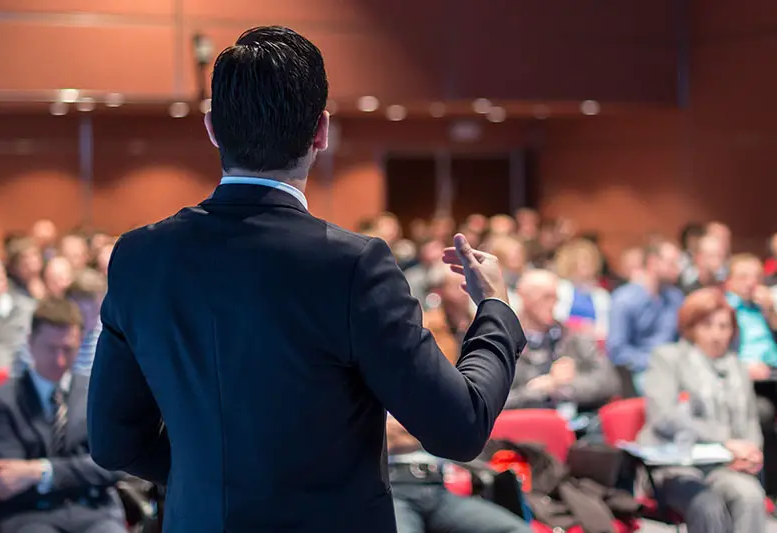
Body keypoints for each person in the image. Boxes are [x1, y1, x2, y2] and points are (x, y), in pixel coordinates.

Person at [86, 26, 525, 533]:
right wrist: (497, 311)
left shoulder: (139, 256)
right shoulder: (353, 265)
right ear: (321, 131)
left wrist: (218, 481)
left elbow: (115, 441)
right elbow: (460, 427)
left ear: (211, 127)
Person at [0, 298, 126, 533]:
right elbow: (8, 480)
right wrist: (81, 469)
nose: (59, 360)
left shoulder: (98, 392)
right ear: (30, 342)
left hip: (94, 510)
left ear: (80, 344)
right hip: (30, 515)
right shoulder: (1, 401)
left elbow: (114, 466)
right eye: (51, 348)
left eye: (68, 349)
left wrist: (41, 471)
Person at [637, 288, 767, 533]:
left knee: (750, 496)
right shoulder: (667, 358)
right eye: (707, 326)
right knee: (708, 506)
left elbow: (750, 419)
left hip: (723, 465)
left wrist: (751, 451)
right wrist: (726, 441)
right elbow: (664, 416)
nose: (716, 335)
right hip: (676, 463)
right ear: (691, 327)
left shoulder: (737, 366)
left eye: (724, 326)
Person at [387, 416, 530, 533]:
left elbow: (454, 435)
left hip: (437, 490)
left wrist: (415, 432)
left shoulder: (432, 391)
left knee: (517, 530)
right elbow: (384, 436)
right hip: (393, 492)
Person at [505, 270, 619, 411]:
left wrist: (564, 386)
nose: (553, 304)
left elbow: (609, 383)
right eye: (546, 297)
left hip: (579, 423)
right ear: (523, 297)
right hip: (526, 426)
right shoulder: (505, 343)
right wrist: (537, 391)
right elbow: (489, 402)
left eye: (556, 298)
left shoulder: (573, 336)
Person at [607, 241, 684, 392]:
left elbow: (685, 339)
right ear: (653, 262)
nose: (678, 269)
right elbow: (617, 350)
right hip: (642, 370)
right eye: (672, 263)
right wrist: (656, 362)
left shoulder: (676, 298)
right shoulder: (624, 299)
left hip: (675, 367)